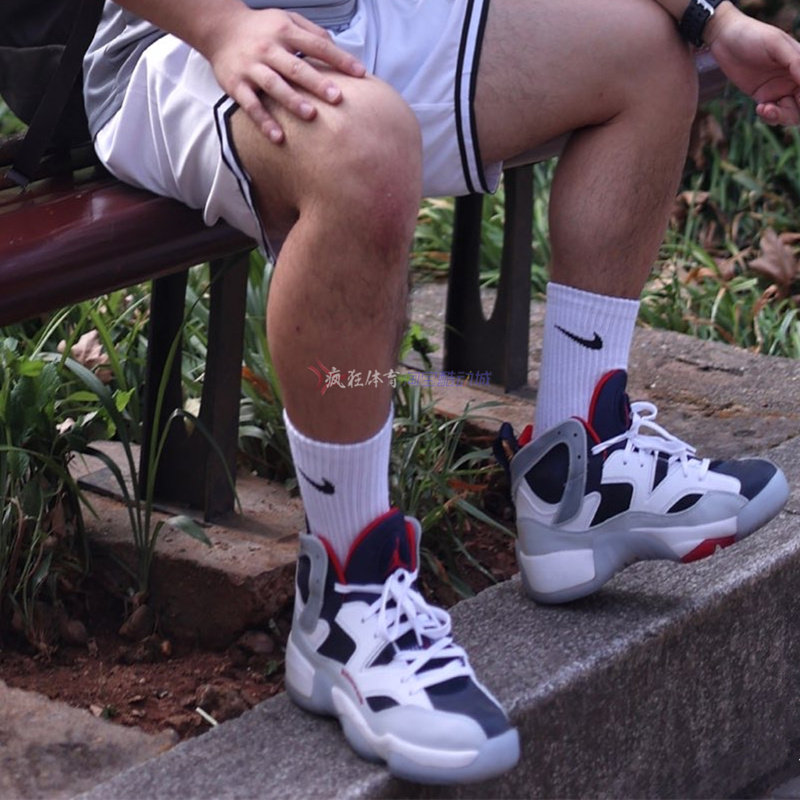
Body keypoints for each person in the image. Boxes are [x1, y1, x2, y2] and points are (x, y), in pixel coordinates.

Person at [83, 0, 800, 784]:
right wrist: (221, 27)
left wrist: (712, 18)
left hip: (361, 22)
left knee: (648, 55)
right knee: (366, 144)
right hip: (183, 43)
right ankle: (347, 598)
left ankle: (579, 476)